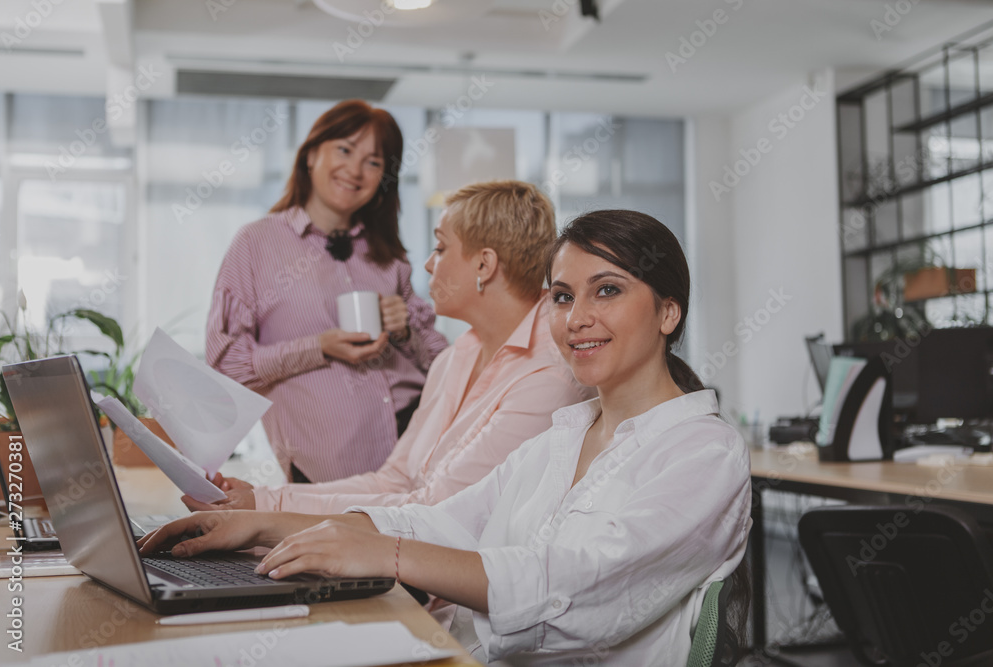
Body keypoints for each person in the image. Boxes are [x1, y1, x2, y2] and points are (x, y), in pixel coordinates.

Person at [142, 210, 752, 665]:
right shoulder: (561, 440)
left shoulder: (703, 453)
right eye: (563, 297)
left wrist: (386, 554)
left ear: (669, 313)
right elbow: (443, 522)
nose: (577, 318)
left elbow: (574, 582)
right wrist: (262, 524)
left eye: (608, 290)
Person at [189, 180, 591, 516]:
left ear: (484, 266)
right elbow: (394, 480)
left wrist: (265, 509)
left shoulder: (550, 377)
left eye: (440, 247)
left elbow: (433, 508)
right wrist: (260, 499)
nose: (429, 265)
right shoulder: (456, 357)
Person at [206, 100, 447, 483]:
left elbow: (444, 364)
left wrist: (405, 332)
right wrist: (319, 347)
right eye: (345, 149)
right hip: (330, 466)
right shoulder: (256, 244)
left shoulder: (389, 254)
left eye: (373, 161)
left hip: (422, 442)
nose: (355, 170)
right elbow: (226, 364)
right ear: (312, 154)